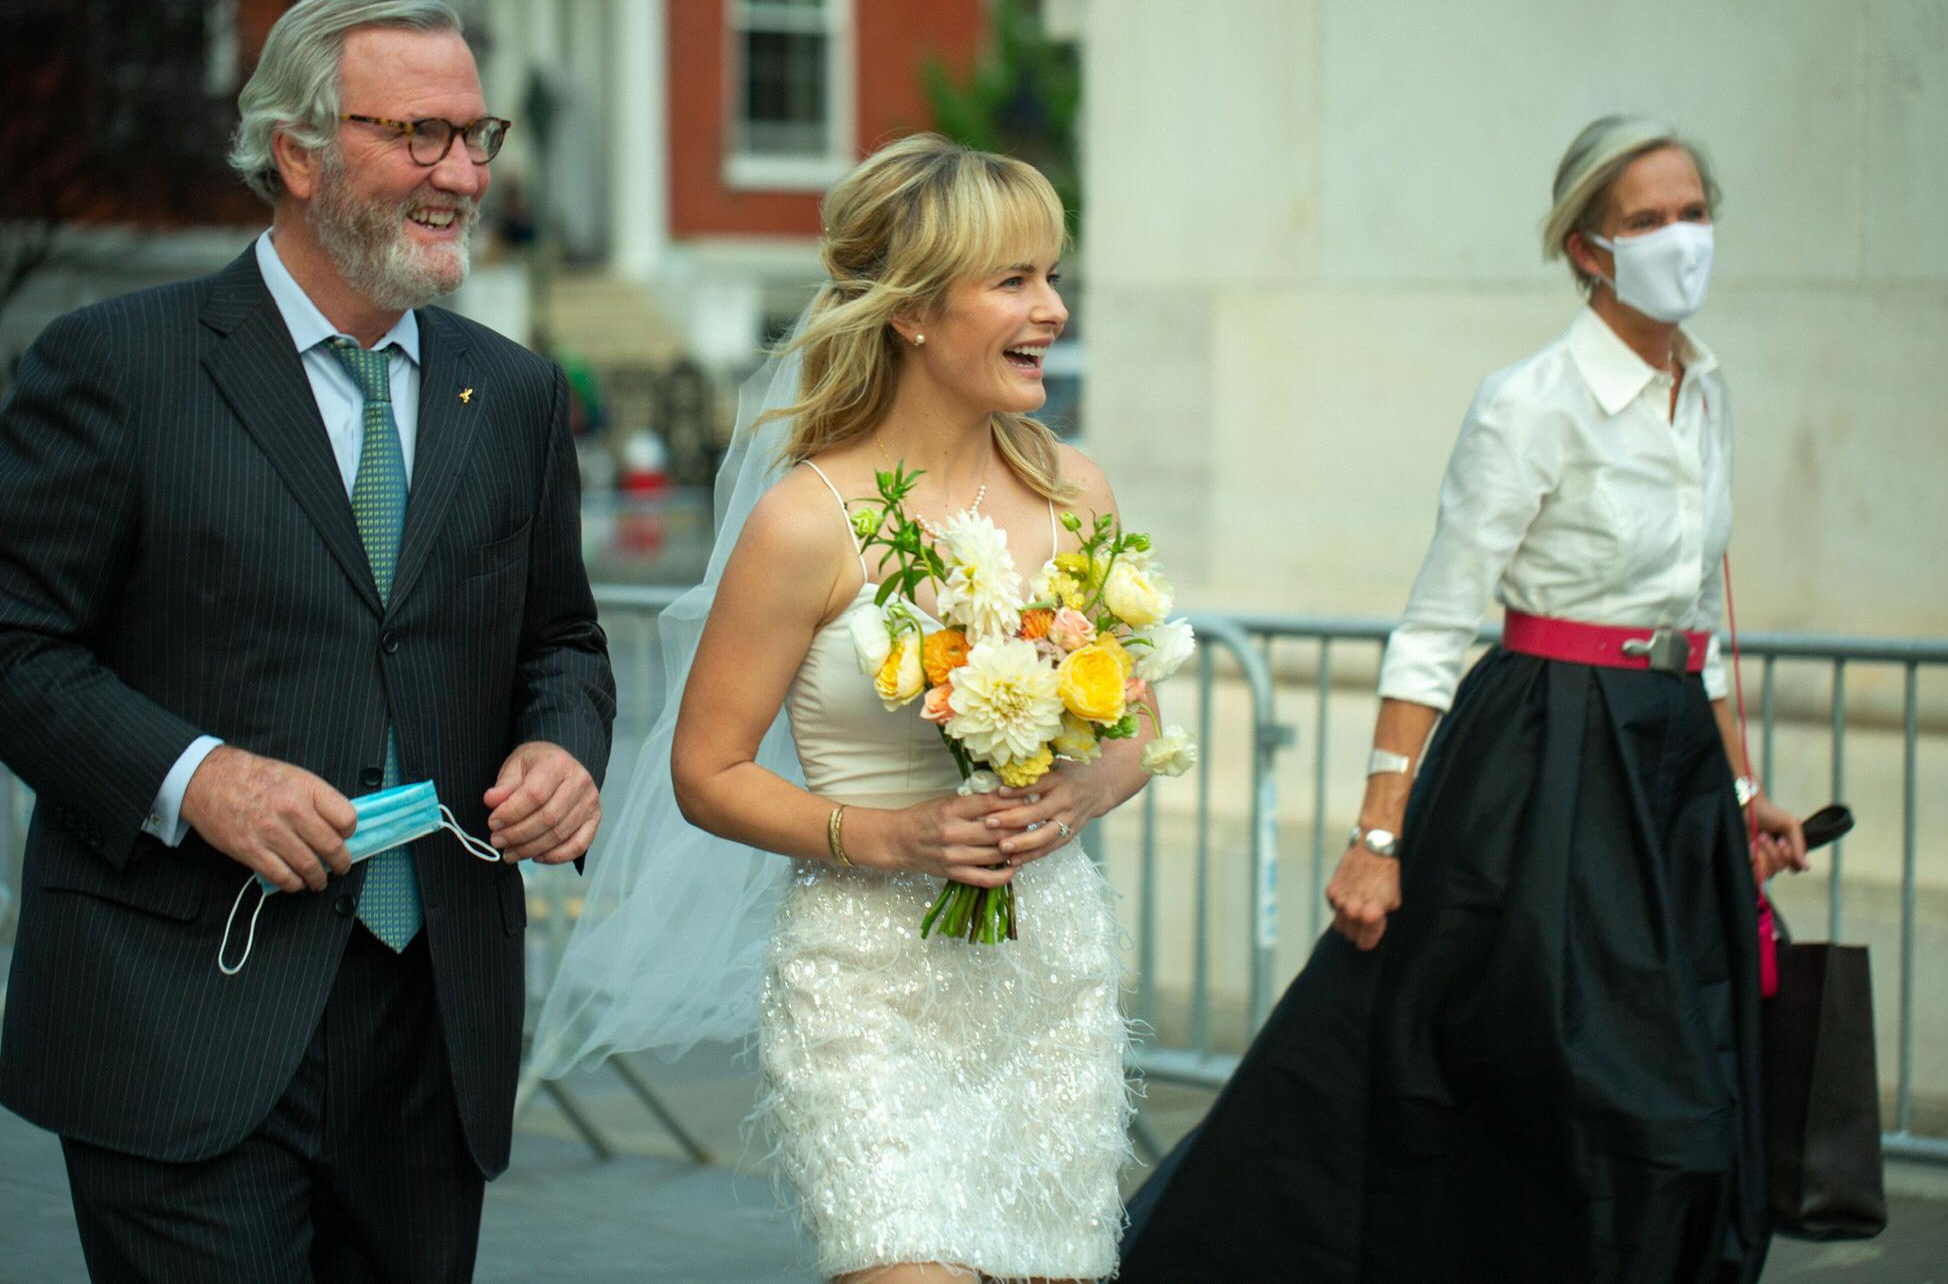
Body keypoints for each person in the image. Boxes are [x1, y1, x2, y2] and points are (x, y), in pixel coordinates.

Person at [1118, 116, 1810, 1283]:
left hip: (1668, 767)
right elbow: (1436, 623)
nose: (1679, 238)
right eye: (1646, 220)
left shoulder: (1710, 390)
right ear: (1587, 247)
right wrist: (1375, 836)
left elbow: (1698, 622)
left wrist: (1739, 790)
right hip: (1546, 757)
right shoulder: (1529, 400)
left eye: (1692, 212)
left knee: (1695, 1084)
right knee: (1557, 1079)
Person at [0, 0, 615, 1281]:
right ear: (295, 150)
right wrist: (195, 776)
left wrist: (565, 748)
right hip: (181, 1024)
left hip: (432, 1028)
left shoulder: (509, 393)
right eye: (420, 136)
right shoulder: (113, 364)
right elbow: (15, 645)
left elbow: (561, 641)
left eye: (477, 135)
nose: (461, 172)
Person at [532, 133, 1147, 1283]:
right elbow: (704, 771)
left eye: (1053, 275)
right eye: (1013, 280)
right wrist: (890, 833)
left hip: (1046, 978)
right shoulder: (806, 521)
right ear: (912, 312)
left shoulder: (1075, 490)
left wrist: (1078, 788)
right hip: (866, 985)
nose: (1051, 309)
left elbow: (1137, 726)